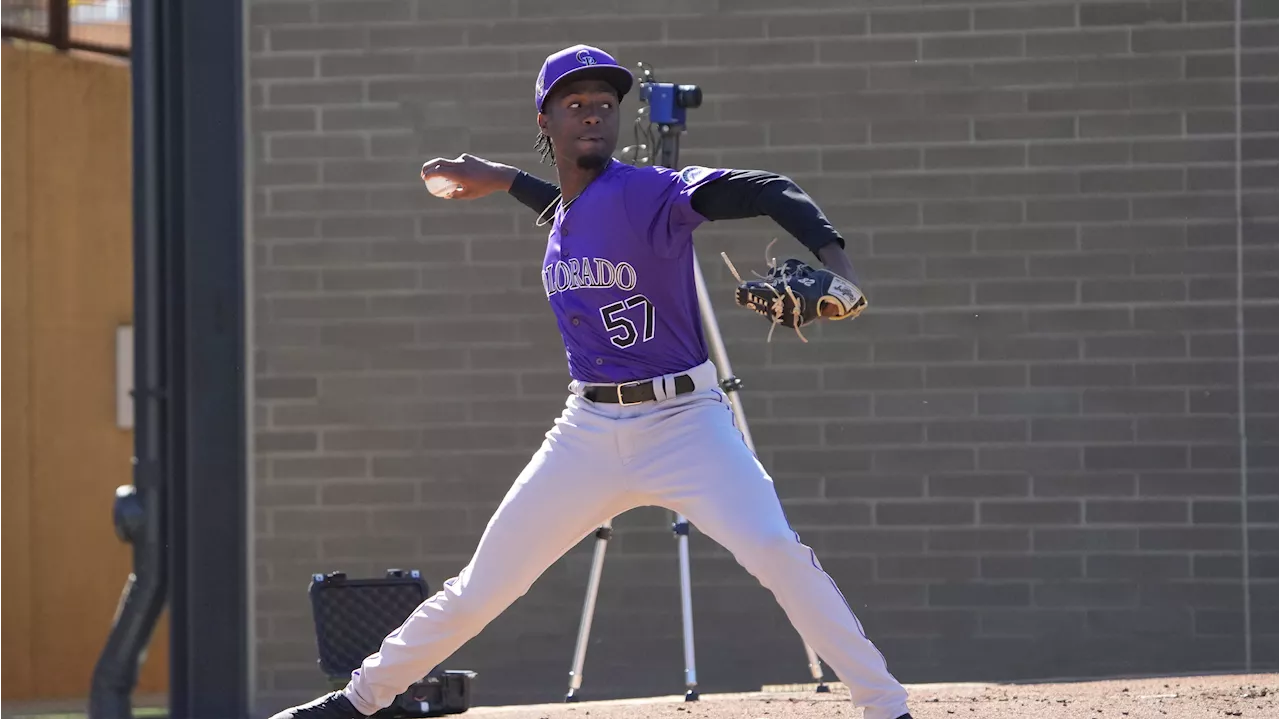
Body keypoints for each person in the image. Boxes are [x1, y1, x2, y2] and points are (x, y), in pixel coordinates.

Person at [267, 44, 912, 719]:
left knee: (779, 552)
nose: (594, 115)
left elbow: (767, 189)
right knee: (485, 584)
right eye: (575, 105)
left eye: (604, 104)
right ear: (544, 119)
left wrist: (839, 262)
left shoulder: (649, 190)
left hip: (685, 422)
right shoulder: (574, 214)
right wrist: (506, 179)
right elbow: (572, 212)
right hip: (588, 431)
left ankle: (884, 705)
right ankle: (361, 699)